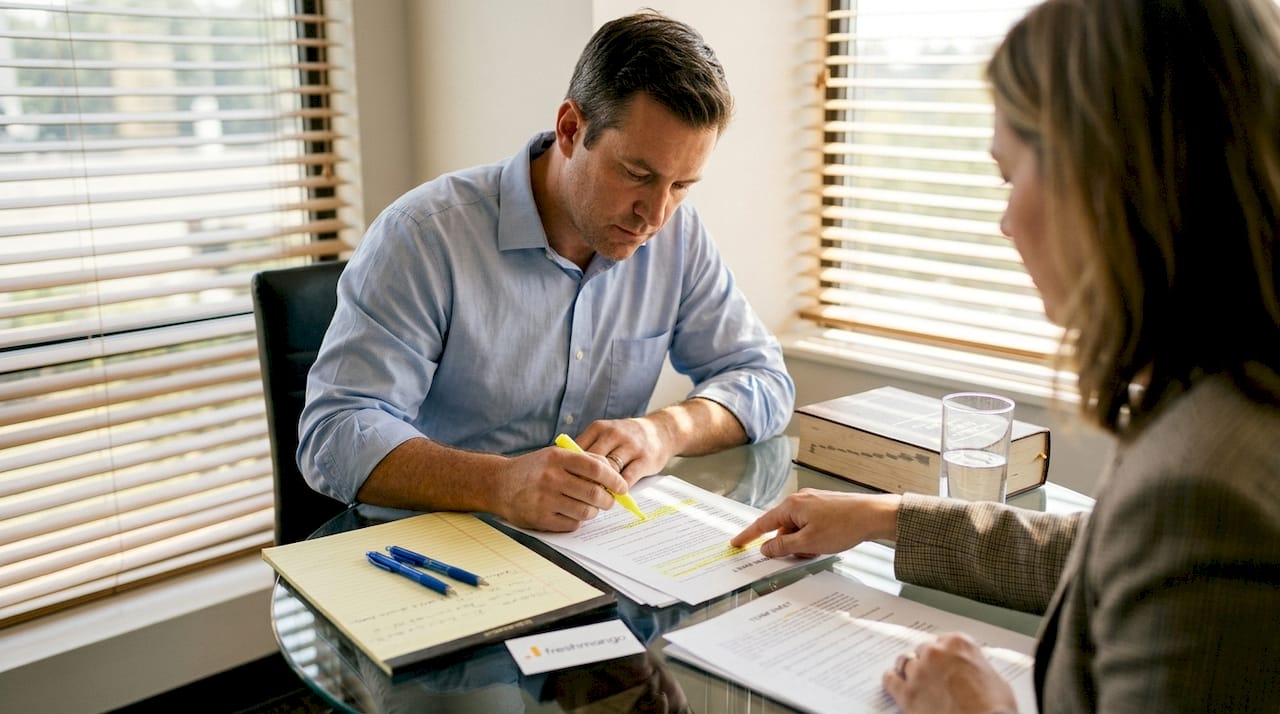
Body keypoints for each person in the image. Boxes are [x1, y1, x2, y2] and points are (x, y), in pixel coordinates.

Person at [732, 0, 1280, 711]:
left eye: (1009, 176)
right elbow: (1094, 554)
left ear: (1106, 179)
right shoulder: (1226, 396)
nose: (1004, 221)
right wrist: (883, 516)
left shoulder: (1202, 492)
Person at [298, 10, 794, 533]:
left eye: (681, 185)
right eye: (637, 174)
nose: (655, 215)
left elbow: (764, 380)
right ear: (570, 129)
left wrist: (664, 431)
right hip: (436, 553)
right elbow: (334, 434)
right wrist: (499, 483)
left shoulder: (678, 235)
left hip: (595, 558)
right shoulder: (424, 235)